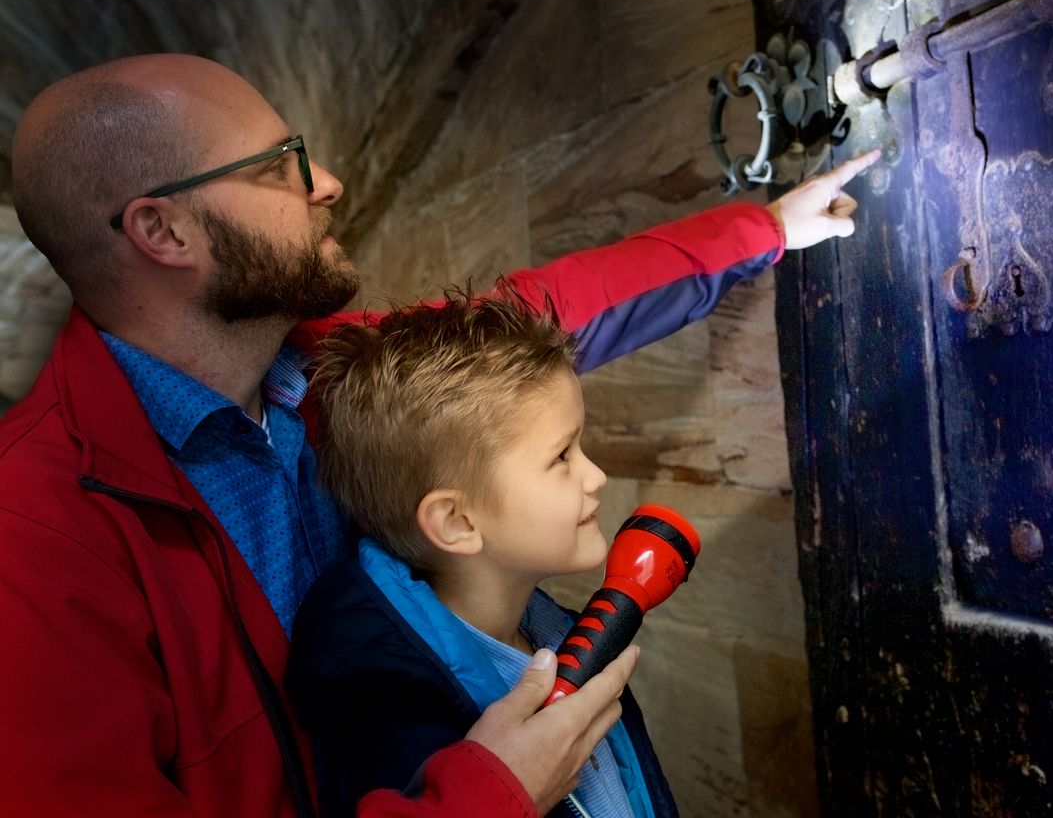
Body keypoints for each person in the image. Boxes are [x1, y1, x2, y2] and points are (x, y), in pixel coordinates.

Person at [0, 52, 880, 817]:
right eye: (279, 167)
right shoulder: (33, 537)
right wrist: (493, 795)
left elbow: (545, 310)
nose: (326, 182)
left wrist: (761, 230)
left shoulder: (319, 372)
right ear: (163, 229)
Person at [287, 286, 676, 818]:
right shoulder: (394, 713)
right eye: (562, 456)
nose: (597, 476)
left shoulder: (555, 630)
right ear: (457, 522)